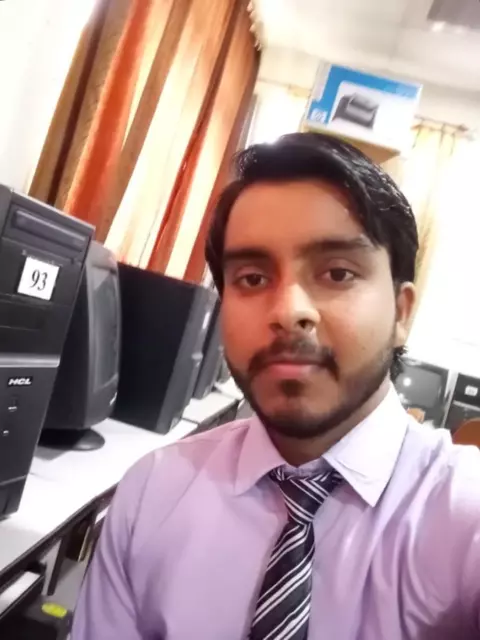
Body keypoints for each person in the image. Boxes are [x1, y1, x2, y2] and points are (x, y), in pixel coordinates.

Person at [71, 133, 480, 640]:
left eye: (337, 272)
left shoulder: (464, 514)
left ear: (401, 312)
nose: (288, 311)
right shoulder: (151, 493)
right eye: (252, 279)